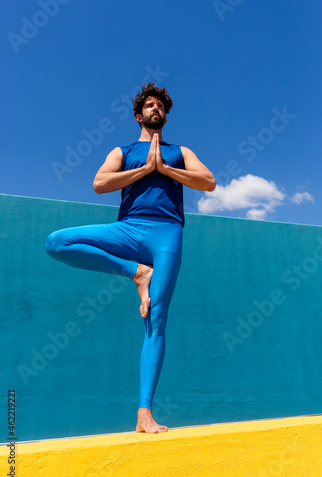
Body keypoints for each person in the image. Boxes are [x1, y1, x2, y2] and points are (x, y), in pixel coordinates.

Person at [45, 82, 216, 433]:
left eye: (161, 107)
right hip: (127, 229)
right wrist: (144, 170)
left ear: (164, 115)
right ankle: (136, 273)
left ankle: (144, 414)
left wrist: (165, 169)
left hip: (166, 234)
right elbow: (100, 183)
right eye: (150, 106)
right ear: (139, 115)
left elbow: (209, 181)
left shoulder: (180, 150)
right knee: (57, 242)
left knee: (156, 317)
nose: (156, 109)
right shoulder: (122, 150)